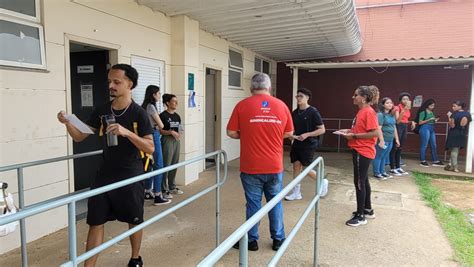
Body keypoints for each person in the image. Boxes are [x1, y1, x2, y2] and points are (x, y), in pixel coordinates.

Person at [57, 64, 153, 267]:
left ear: (130, 84)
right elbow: (80, 137)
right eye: (109, 81)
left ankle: (135, 258)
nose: (111, 85)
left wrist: (127, 132)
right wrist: (67, 123)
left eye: (116, 82)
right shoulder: (102, 110)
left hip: (131, 173)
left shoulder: (139, 113)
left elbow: (150, 147)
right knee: (95, 220)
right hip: (105, 173)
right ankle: (88, 265)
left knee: (134, 219)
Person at [227, 73, 293, 251]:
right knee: (275, 202)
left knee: (253, 204)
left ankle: (251, 240)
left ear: (251, 88)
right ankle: (278, 239)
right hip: (274, 165)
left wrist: (247, 134)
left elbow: (231, 132)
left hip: (251, 166)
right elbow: (288, 133)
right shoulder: (281, 105)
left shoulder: (242, 105)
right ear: (269, 87)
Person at [340, 85, 379, 227]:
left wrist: (354, 136)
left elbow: (374, 132)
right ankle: (367, 209)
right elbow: (362, 129)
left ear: (363, 98)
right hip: (361, 150)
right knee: (364, 181)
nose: (353, 97)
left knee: (359, 182)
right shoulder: (363, 111)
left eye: (355, 95)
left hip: (362, 151)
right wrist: (349, 131)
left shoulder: (368, 112)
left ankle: (361, 216)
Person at [285, 88, 325, 201]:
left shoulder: (313, 112)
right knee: (296, 167)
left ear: (307, 98)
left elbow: (322, 129)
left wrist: (307, 134)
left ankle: (322, 181)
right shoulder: (294, 113)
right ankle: (296, 192)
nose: (298, 98)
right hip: (297, 143)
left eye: (301, 96)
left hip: (309, 144)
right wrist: (291, 136)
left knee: (306, 168)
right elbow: (291, 129)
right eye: (297, 96)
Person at [141, 85, 171, 205]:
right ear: (153, 94)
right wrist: (159, 125)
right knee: (158, 164)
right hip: (153, 134)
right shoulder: (151, 107)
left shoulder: (144, 106)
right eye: (158, 93)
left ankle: (148, 191)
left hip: (146, 135)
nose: (159, 95)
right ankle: (158, 194)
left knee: (149, 163)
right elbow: (161, 125)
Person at [160, 93, 183, 198]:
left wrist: (180, 132)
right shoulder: (163, 115)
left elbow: (180, 127)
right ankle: (163, 189)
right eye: (174, 101)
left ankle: (172, 186)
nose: (176, 103)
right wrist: (170, 132)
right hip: (167, 140)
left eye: (176, 101)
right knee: (166, 164)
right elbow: (159, 130)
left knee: (174, 163)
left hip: (176, 141)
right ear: (167, 103)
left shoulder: (177, 116)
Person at [373, 97, 399, 180]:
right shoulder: (380, 114)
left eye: (391, 103)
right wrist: (381, 140)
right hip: (382, 139)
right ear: (383, 105)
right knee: (379, 156)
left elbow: (394, 127)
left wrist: (397, 139)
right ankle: (377, 173)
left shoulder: (391, 115)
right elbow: (378, 128)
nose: (390, 104)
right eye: (387, 103)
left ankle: (382, 171)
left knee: (384, 156)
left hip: (390, 139)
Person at [416, 99, 444, 167]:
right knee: (424, 144)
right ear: (427, 105)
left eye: (433, 105)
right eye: (431, 105)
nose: (432, 107)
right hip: (425, 128)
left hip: (431, 127)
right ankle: (423, 160)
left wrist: (435, 120)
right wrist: (429, 119)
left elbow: (432, 120)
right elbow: (420, 122)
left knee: (433, 144)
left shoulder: (432, 112)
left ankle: (435, 160)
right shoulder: (423, 112)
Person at [444, 100, 472, 172]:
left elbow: (452, 125)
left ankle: (455, 167)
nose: (452, 107)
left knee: (454, 150)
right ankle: (451, 165)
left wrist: (449, 118)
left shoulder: (454, 114)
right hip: (463, 133)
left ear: (460, 107)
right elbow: (468, 122)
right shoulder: (468, 114)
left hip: (454, 133)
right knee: (457, 150)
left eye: (454, 106)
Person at [389, 92, 412, 176]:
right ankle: (392, 168)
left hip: (404, 127)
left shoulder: (408, 108)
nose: (406, 100)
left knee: (400, 148)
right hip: (398, 127)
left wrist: (411, 122)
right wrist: (404, 109)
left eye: (407, 99)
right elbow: (398, 121)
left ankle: (398, 167)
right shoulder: (397, 107)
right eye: (404, 99)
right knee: (394, 148)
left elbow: (405, 119)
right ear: (400, 100)